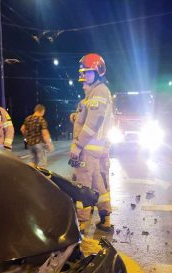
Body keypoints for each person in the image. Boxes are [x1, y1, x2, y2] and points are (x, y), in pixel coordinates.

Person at [69, 53, 114, 233]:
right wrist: (76, 116)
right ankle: (105, 218)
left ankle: (81, 225)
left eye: (87, 73)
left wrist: (78, 145)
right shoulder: (97, 92)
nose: (83, 77)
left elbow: (92, 122)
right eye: (83, 73)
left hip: (89, 148)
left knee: (83, 186)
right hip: (98, 148)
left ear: (98, 72)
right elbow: (88, 117)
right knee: (99, 184)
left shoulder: (99, 91)